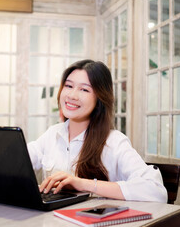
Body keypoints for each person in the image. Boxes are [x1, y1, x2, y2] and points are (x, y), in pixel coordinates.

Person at [27, 59, 167, 203]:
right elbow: (17, 162)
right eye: (69, 86)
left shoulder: (114, 142)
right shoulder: (52, 134)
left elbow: (156, 190)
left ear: (99, 99)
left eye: (84, 89)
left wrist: (83, 184)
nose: (72, 95)